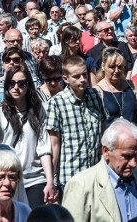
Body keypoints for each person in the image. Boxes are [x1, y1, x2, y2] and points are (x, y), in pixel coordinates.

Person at [0, 65, 55, 208]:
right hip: (7, 179)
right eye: (12, 83)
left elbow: (43, 148)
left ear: (28, 85)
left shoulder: (38, 110)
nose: (16, 87)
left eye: (21, 83)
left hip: (34, 178)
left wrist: (50, 181)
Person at [62, 119, 137, 221]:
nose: (134, 163)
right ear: (106, 151)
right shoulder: (81, 185)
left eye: (136, 156)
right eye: (127, 156)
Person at [45, 55, 106, 191]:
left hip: (96, 173)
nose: (83, 79)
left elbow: (102, 130)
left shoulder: (95, 95)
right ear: (65, 79)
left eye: (84, 74)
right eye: (77, 76)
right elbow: (54, 144)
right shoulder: (57, 103)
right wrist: (51, 182)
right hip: (71, 176)